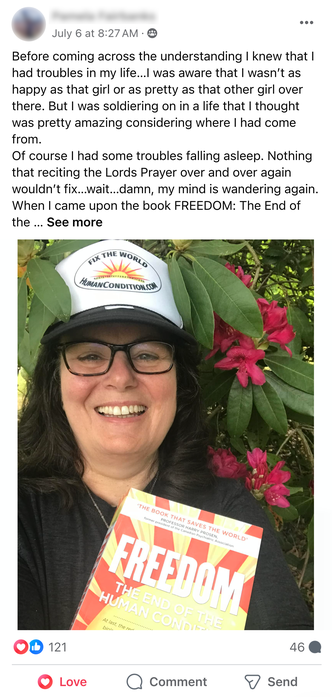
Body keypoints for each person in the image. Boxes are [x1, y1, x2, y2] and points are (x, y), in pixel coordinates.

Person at [18, 239, 312, 630]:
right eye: (89, 355)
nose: (120, 378)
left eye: (146, 354)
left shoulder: (229, 510)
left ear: (181, 382)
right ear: (55, 381)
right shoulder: (18, 513)